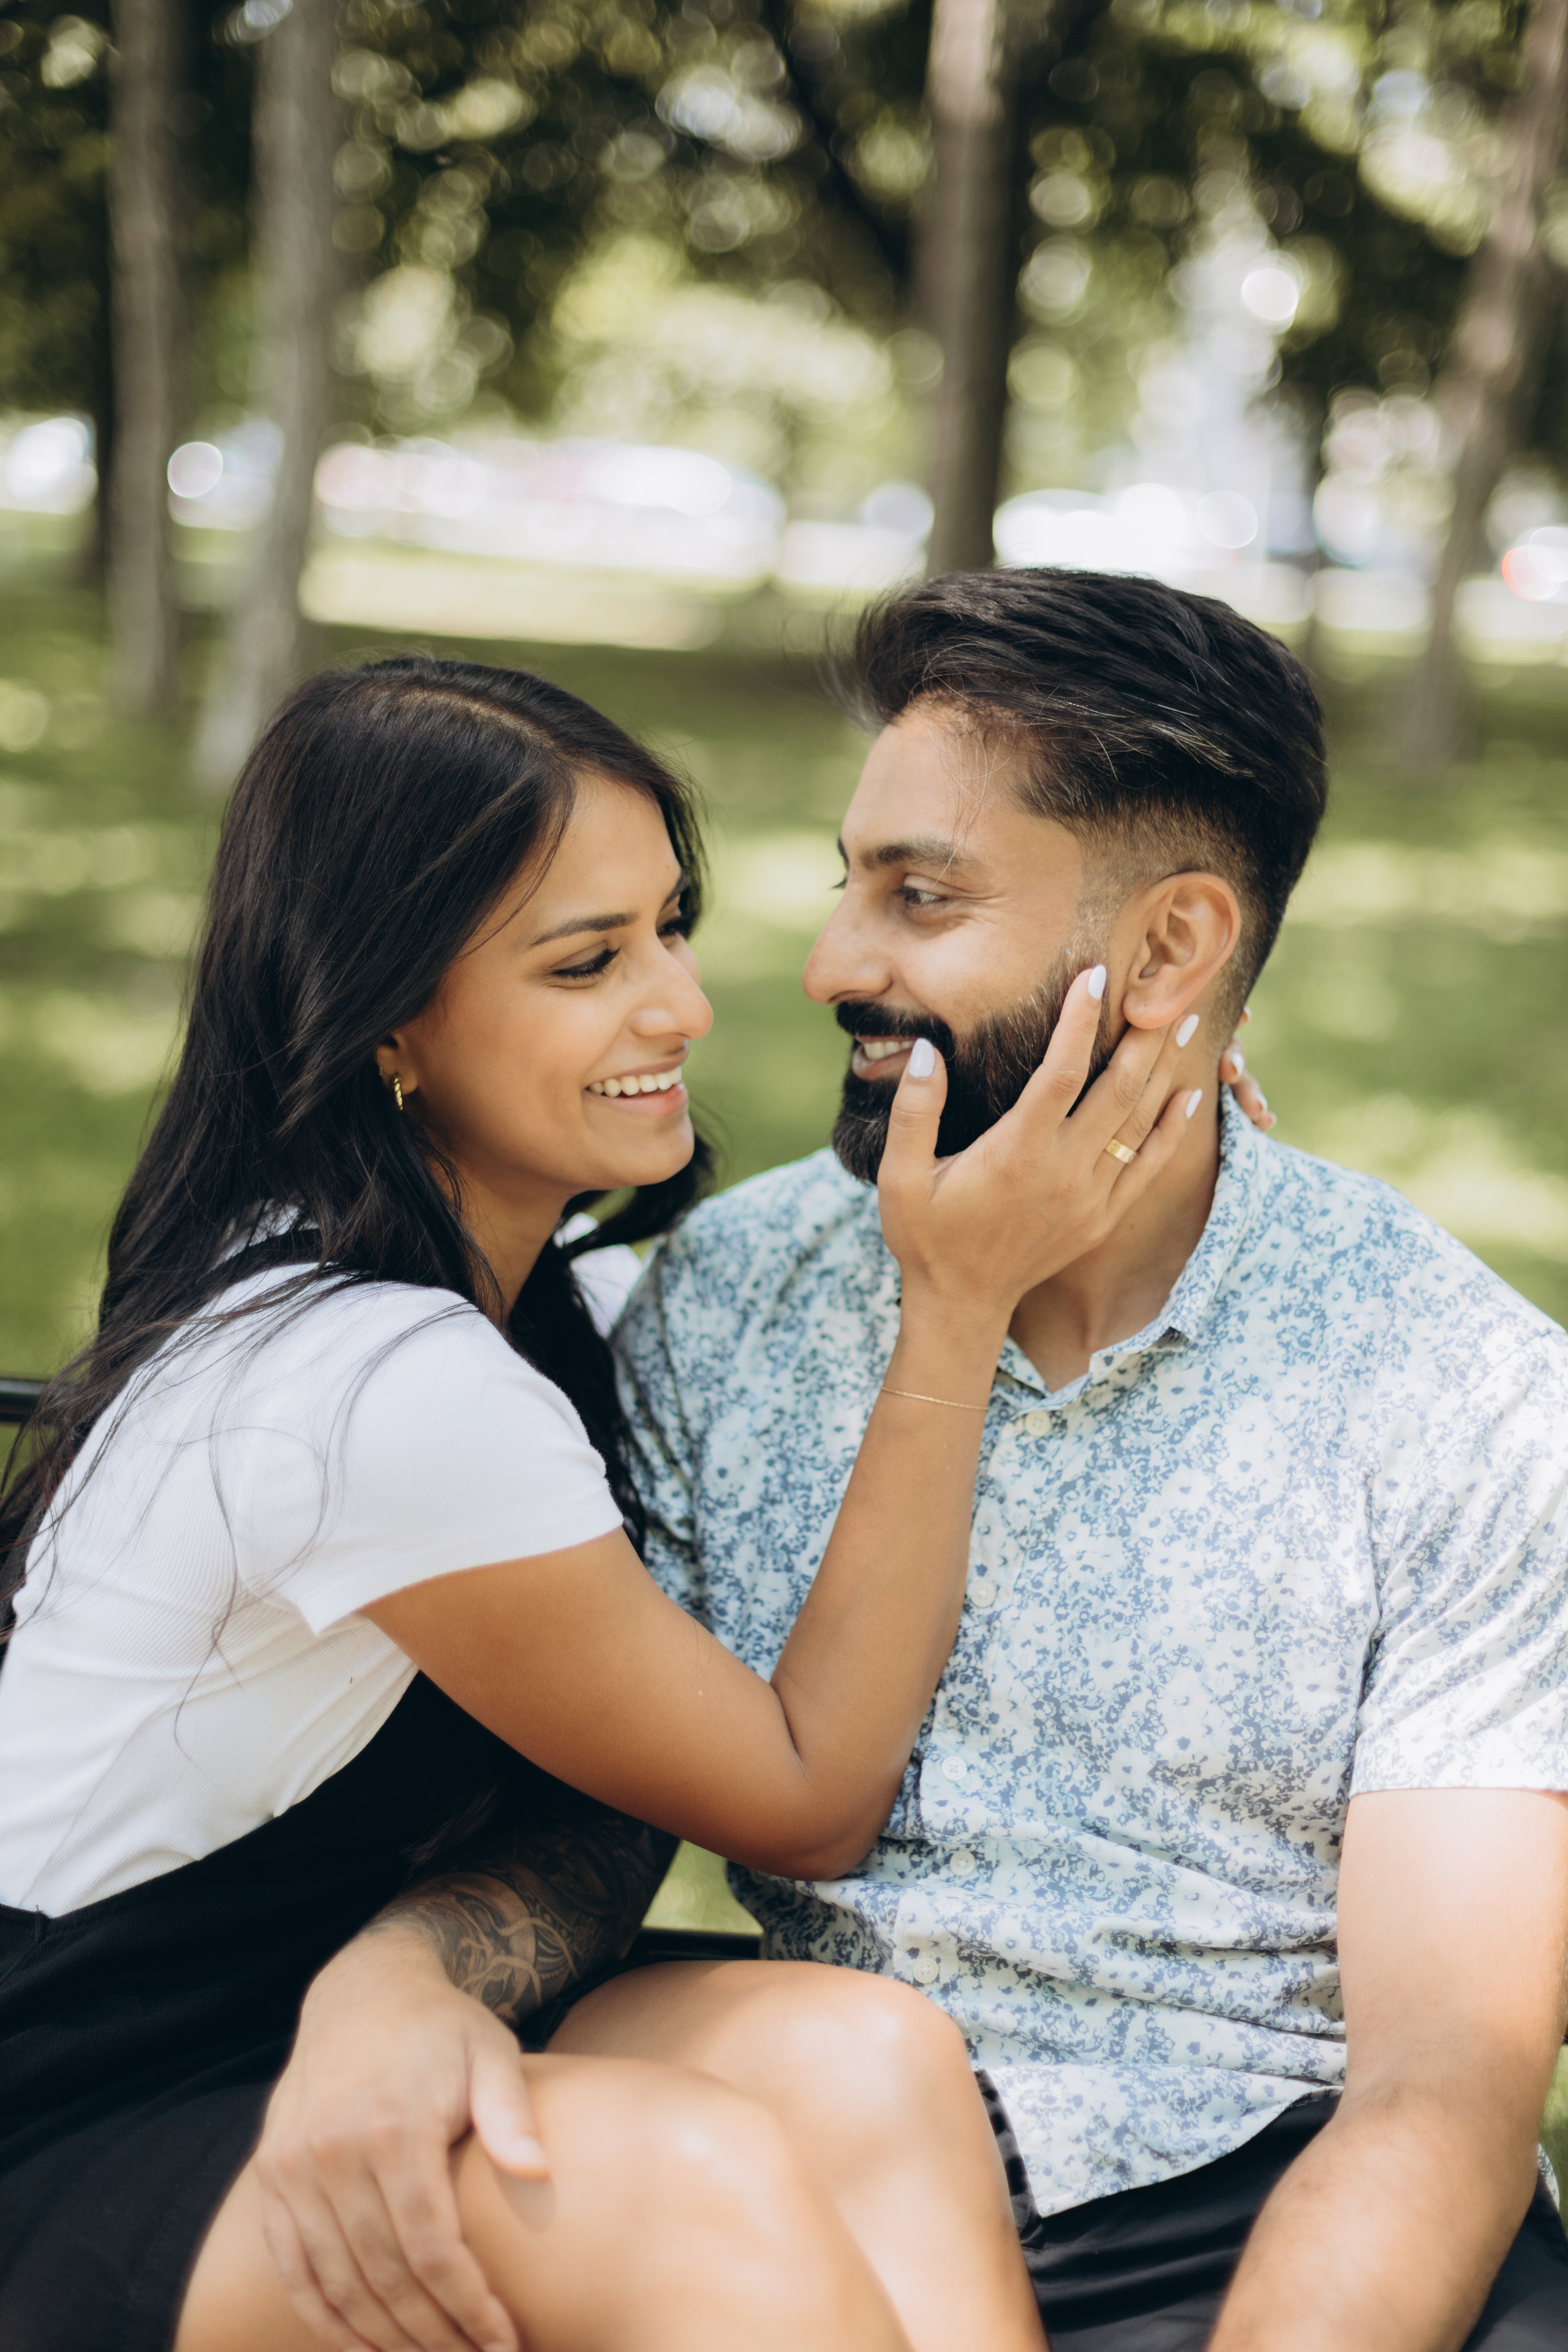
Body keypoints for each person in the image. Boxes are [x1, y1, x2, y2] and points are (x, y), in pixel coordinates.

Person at [277, 575, 1568, 2352]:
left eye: (922, 897)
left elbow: (1444, 2095)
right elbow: (609, 1812)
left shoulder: (1462, 1398)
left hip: (1290, 2217)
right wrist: (406, 1976)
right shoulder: (724, 1303)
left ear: (1178, 950)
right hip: (810, 2192)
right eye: (849, 878)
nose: (829, 967)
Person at [0, 651, 1213, 2352]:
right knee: (682, 2187)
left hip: (279, 1987)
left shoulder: (494, 1283)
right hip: (73, 2098)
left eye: (672, 926)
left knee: (864, 2057)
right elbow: (803, 1799)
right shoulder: (374, 1387)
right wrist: (961, 1309)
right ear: (389, 1024)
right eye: (588, 962)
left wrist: (1124, 1158)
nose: (684, 1007)